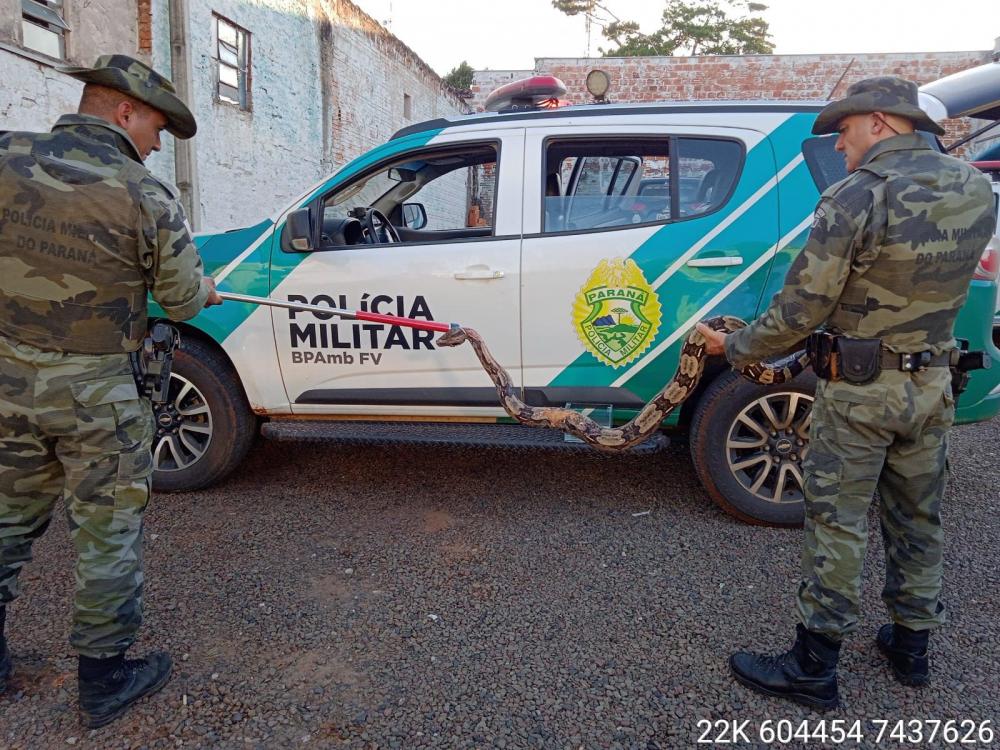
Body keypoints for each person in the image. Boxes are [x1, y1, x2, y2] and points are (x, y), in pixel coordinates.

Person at [696, 76, 996, 709]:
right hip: (933, 385)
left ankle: (813, 667)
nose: (838, 145)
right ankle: (911, 648)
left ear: (882, 122)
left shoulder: (855, 197)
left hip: (860, 392)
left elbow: (802, 309)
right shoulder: (974, 186)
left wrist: (738, 348)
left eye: (846, 130)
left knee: (838, 521)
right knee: (918, 517)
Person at [0, 54, 223, 727]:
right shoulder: (142, 193)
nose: (157, 143)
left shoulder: (6, 153)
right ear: (125, 111)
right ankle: (104, 680)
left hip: (8, 380)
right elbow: (184, 302)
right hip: (97, 395)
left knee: (6, 519)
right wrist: (203, 289)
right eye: (156, 126)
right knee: (105, 534)